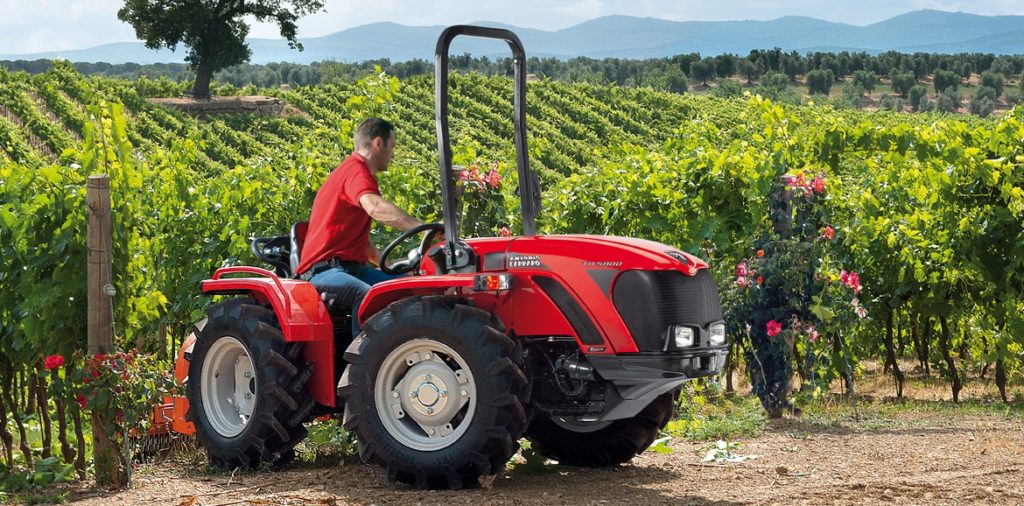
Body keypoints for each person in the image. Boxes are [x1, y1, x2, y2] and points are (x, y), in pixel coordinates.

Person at [296, 118, 424, 335]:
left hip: (353, 268)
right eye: (392, 147)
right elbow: (374, 207)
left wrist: (390, 265)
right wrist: (422, 227)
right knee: (368, 295)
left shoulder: (357, 174)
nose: (393, 154)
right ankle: (362, 365)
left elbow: (361, 243)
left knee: (406, 285)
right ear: (378, 144)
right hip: (323, 271)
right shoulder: (355, 171)